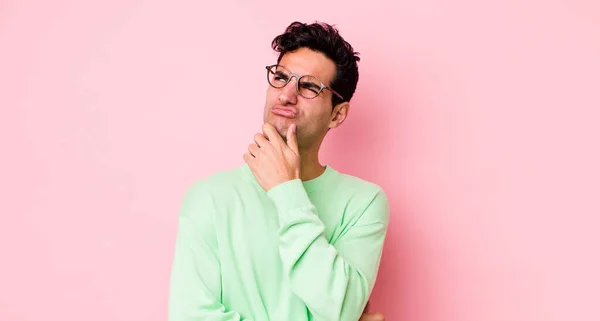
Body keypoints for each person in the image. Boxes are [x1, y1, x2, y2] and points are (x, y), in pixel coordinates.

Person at [168, 21, 389, 321]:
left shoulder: (363, 203)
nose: (286, 95)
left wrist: (287, 192)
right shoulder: (208, 197)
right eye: (281, 77)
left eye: (309, 86)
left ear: (337, 114)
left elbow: (340, 309)